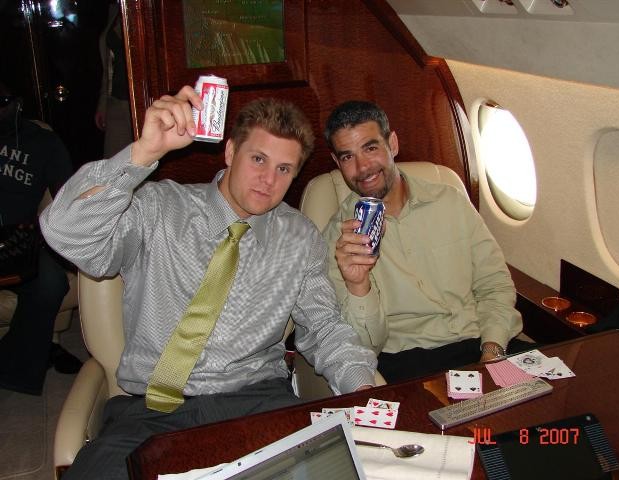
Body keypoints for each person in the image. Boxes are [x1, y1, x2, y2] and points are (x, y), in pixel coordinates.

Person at [40, 86, 376, 479]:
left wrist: (364, 390)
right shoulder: (157, 208)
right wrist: (143, 152)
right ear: (231, 152)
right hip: (151, 412)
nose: (268, 180)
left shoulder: (299, 237)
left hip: (257, 402)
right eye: (258, 159)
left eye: (284, 169)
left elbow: (325, 328)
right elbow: (65, 230)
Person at [322, 100, 525, 383]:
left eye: (370, 148)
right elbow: (362, 346)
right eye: (347, 157)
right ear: (337, 163)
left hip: (481, 342)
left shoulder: (451, 202)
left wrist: (492, 351)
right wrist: (358, 285)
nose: (363, 167)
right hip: (409, 360)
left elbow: (495, 285)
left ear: (392, 144)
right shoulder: (338, 240)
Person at [0, 82, 83, 396]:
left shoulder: (43, 142)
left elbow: (67, 197)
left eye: (2, 102)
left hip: (21, 237)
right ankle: (39, 348)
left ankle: (17, 365)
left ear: (17, 103)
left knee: (51, 281)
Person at [95, 0, 133, 157]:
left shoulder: (141, 7)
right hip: (117, 101)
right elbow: (109, 63)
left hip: (141, 102)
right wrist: (103, 103)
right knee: (114, 161)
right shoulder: (115, 8)